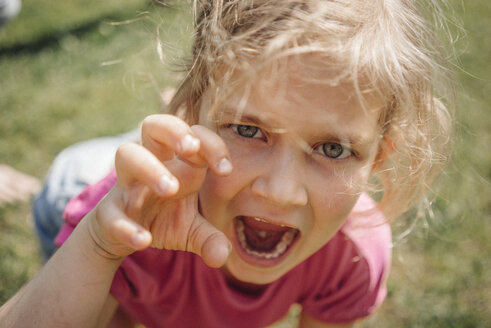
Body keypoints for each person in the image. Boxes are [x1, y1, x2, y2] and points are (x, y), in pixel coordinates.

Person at [0, 0, 454, 327]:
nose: (279, 190)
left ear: (378, 159)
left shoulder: (354, 254)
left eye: (332, 149)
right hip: (74, 186)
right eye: (249, 129)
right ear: (194, 115)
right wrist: (98, 244)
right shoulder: (136, 221)